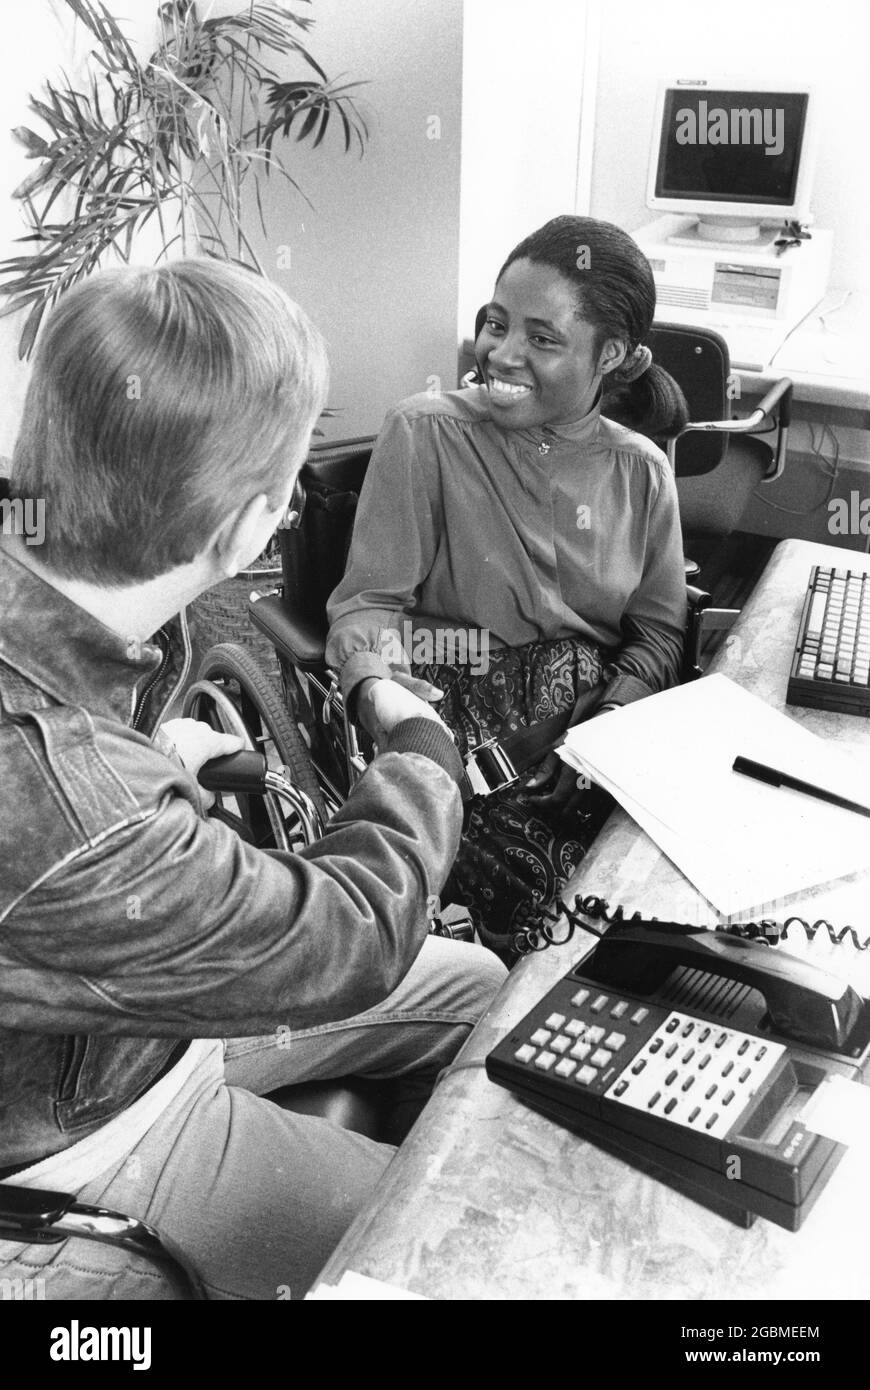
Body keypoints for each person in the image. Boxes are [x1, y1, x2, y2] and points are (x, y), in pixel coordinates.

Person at [0, 258, 506, 1300]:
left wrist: (156, 751)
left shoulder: (42, 554)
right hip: (79, 1137)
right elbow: (357, 929)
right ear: (243, 534)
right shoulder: (79, 809)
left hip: (112, 1013)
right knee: (465, 1239)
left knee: (487, 995)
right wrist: (419, 748)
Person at [327, 216, 689, 957]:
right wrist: (372, 687)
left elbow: (658, 631)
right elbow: (370, 603)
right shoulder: (426, 433)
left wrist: (609, 723)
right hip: (461, 703)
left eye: (543, 338)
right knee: (562, 918)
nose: (502, 353)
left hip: (591, 730)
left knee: (659, 877)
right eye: (496, 324)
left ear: (611, 354)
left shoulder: (641, 471)